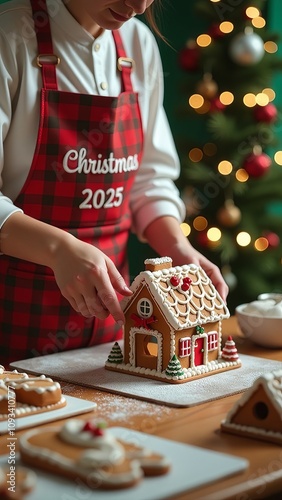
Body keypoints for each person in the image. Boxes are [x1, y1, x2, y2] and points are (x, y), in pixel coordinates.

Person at [0, 0, 228, 366]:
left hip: (107, 338)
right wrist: (59, 250)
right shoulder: (8, 37)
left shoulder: (137, 44)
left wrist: (176, 248)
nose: (138, 6)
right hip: (13, 326)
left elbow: (148, 180)